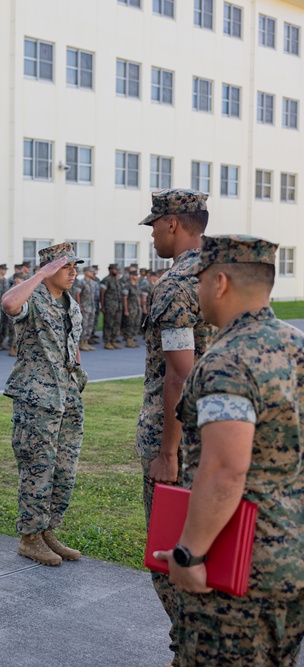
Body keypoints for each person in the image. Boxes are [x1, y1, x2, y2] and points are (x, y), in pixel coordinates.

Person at [153, 235, 304, 666]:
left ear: (219, 282)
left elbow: (224, 470)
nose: (196, 290)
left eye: (200, 280)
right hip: (290, 556)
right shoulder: (294, 346)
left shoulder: (228, 361)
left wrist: (189, 553)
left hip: (238, 569)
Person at [136, 188, 213, 661]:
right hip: (220, 433)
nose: (153, 236)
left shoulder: (176, 283)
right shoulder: (223, 273)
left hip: (179, 440)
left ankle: (190, 648)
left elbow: (178, 372)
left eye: (154, 226)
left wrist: (167, 452)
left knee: (171, 554)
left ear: (172, 224)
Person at [1, 243, 86, 566]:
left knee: (64, 469)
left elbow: (72, 346)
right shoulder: (32, 300)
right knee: (38, 468)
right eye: (67, 268)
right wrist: (39, 275)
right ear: (50, 270)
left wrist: (77, 377)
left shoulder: (71, 305)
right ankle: (30, 537)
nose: (73, 272)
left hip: (67, 397)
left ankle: (48, 530)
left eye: (75, 266)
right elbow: (9, 303)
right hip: (37, 399)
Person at [100, 264, 123, 350]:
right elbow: (102, 293)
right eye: (115, 269)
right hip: (109, 306)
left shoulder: (117, 280)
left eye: (117, 269)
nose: (117, 271)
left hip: (117, 306)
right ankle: (107, 342)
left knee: (116, 324)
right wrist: (102, 306)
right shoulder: (106, 280)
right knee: (108, 324)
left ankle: (113, 340)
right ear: (110, 270)